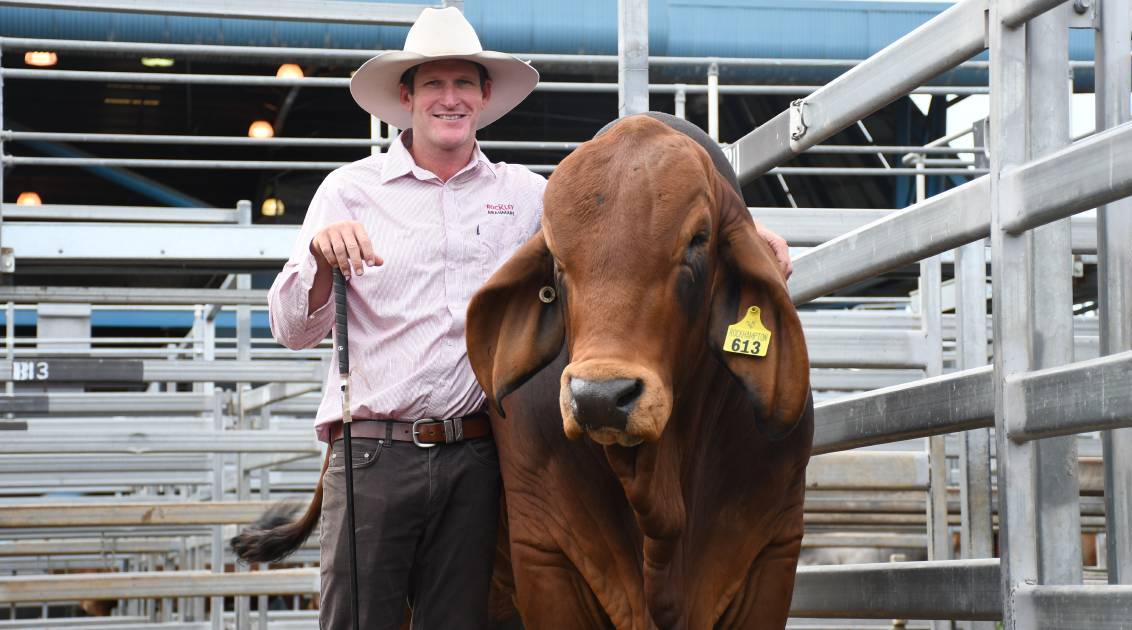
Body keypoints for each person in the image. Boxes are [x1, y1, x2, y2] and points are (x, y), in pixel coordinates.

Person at [265, 7, 794, 628]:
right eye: (433, 84)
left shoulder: (527, 195)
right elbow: (292, 329)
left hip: (473, 456)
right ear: (405, 95)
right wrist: (323, 259)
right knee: (360, 620)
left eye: (464, 83)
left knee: (461, 621)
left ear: (485, 96)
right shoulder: (348, 192)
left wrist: (746, 232)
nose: (450, 98)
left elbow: (628, 222)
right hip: (377, 453)